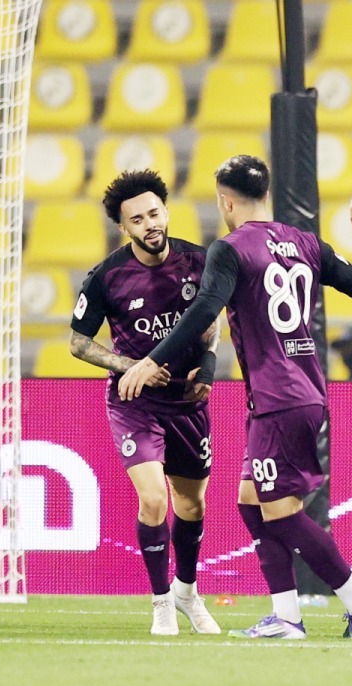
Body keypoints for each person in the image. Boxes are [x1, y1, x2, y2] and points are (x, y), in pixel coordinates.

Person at [119, 156, 352, 639]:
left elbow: (205, 308)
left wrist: (150, 360)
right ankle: (286, 616)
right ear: (266, 195)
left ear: (225, 200)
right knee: (250, 500)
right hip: (303, 391)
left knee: (280, 512)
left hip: (278, 396)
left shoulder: (230, 248)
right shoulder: (305, 241)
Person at [71, 169, 221, 636]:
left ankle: (187, 593)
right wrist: (127, 367)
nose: (150, 224)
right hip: (134, 401)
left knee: (191, 505)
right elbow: (77, 343)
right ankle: (160, 604)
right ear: (124, 227)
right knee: (154, 499)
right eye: (137, 219)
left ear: (167, 211)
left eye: (155, 213)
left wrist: (210, 364)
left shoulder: (201, 262)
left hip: (187, 401)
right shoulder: (107, 277)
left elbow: (212, 320)